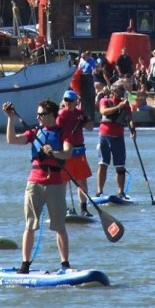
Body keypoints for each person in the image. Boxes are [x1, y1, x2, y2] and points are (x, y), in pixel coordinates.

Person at [3, 99, 73, 274]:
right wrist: (10, 118)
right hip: (35, 182)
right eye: (37, 114)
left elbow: (67, 153)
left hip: (55, 184)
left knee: (60, 227)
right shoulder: (35, 132)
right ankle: (25, 265)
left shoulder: (63, 132)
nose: (38, 117)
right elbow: (11, 139)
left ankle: (65, 264)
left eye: (41, 114)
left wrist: (54, 152)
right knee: (30, 225)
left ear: (51, 115)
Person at [95, 81, 136, 198]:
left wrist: (133, 130)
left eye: (123, 90)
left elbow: (130, 119)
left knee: (120, 166)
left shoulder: (125, 104)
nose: (122, 92)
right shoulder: (105, 101)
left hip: (118, 137)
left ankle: (121, 192)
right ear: (113, 91)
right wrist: (118, 106)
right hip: (105, 136)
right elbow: (103, 111)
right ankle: (99, 191)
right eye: (120, 90)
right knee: (103, 163)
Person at [57, 88, 93, 216]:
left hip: (79, 152)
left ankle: (83, 209)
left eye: (70, 100)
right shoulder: (61, 115)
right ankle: (64, 208)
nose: (67, 102)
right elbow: (56, 132)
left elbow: (90, 128)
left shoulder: (80, 113)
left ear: (75, 101)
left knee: (82, 181)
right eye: (66, 100)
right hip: (67, 151)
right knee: (63, 182)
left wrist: (85, 120)